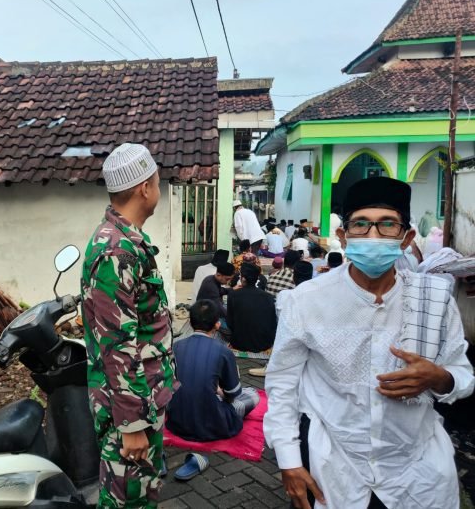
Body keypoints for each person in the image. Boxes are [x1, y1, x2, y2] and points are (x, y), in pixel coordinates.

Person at [264, 177, 474, 509]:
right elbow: (282, 383)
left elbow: (462, 375)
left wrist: (439, 378)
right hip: (336, 467)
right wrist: (289, 461)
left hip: (415, 472)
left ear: (406, 238)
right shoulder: (305, 300)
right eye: (361, 224)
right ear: (343, 236)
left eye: (387, 224)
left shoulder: (434, 299)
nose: (373, 235)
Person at [81, 143, 178, 508]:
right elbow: (117, 344)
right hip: (130, 407)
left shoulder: (127, 242)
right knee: (128, 500)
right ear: (144, 188)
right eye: (157, 181)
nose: (159, 188)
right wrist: (132, 424)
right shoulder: (116, 252)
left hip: (142, 398)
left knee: (140, 494)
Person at [166, 299, 260, 442]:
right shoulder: (224, 351)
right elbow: (232, 394)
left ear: (190, 322)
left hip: (178, 421)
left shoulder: (176, 346)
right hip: (214, 423)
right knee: (253, 395)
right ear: (217, 324)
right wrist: (218, 391)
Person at [227, 263, 277, 353]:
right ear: (257, 278)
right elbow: (272, 323)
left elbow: (230, 323)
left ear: (243, 279)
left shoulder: (233, 295)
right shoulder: (269, 297)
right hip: (263, 344)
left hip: (239, 343)